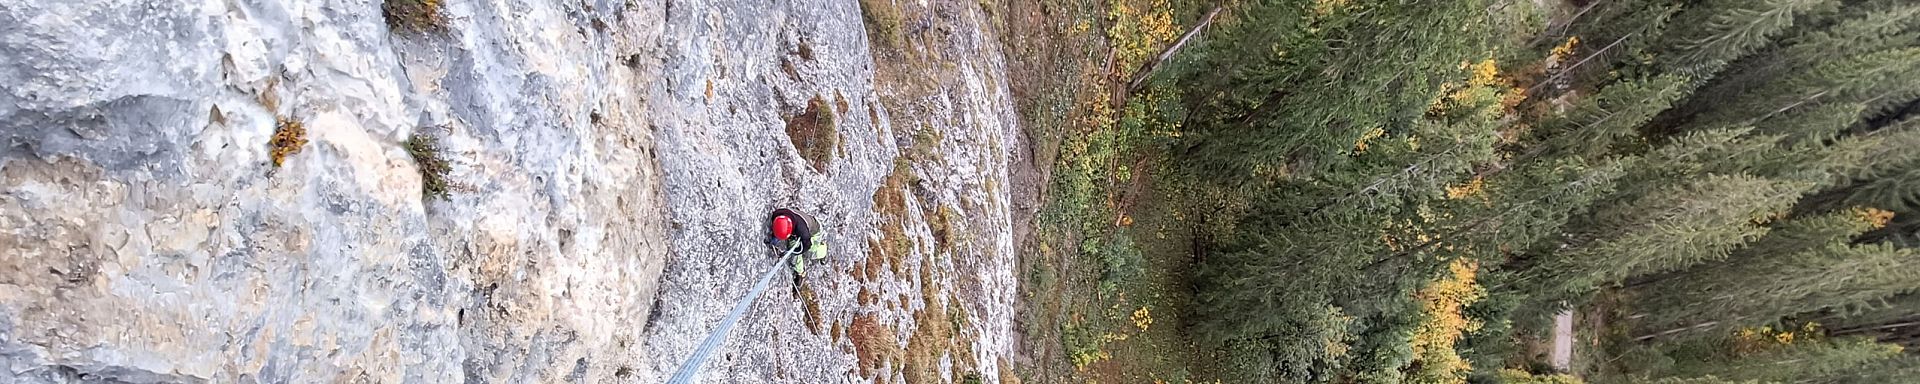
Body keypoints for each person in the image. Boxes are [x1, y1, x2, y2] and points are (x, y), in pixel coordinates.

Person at [768, 208, 827, 273]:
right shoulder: (778, 215)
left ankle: (823, 251)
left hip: (814, 232)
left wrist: (790, 252)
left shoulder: (802, 231)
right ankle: (800, 270)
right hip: (800, 228)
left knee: (812, 251)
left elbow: (805, 247)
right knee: (793, 247)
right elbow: (779, 227)